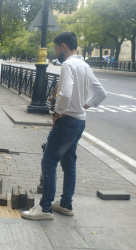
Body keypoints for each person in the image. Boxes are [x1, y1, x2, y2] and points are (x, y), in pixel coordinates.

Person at [21, 32, 107, 220]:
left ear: (63, 46)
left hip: (67, 121)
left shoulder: (68, 64)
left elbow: (66, 93)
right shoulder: (85, 65)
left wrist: (58, 112)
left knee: (49, 161)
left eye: (56, 48)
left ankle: (44, 208)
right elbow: (101, 93)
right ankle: (66, 203)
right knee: (69, 163)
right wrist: (85, 106)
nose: (55, 51)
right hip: (79, 121)